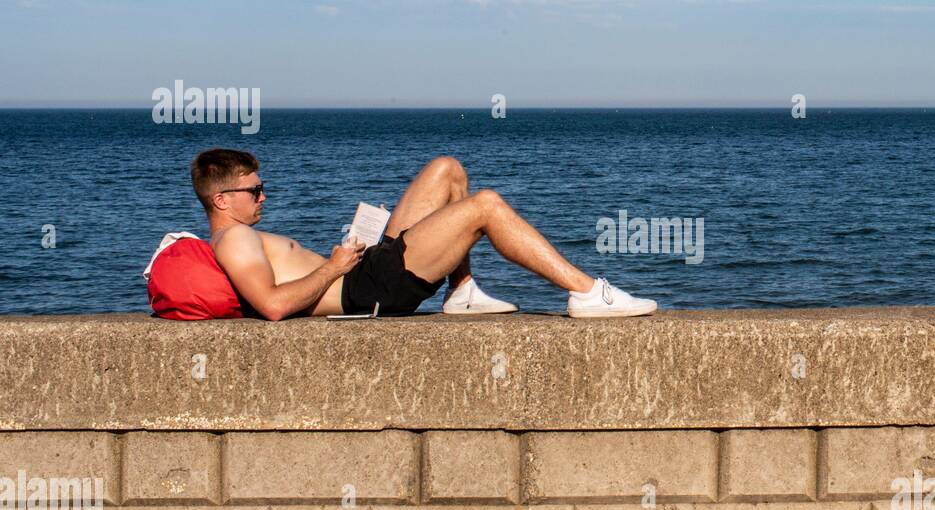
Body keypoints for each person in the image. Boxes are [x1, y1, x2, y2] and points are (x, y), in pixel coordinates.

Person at [191, 148, 656, 319]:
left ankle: (463, 291)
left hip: (366, 272)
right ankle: (589, 292)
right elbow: (272, 305)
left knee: (446, 169)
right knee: (486, 207)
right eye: (255, 190)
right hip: (369, 290)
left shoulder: (242, 235)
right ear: (222, 199)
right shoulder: (234, 239)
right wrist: (334, 266)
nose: (263, 197)